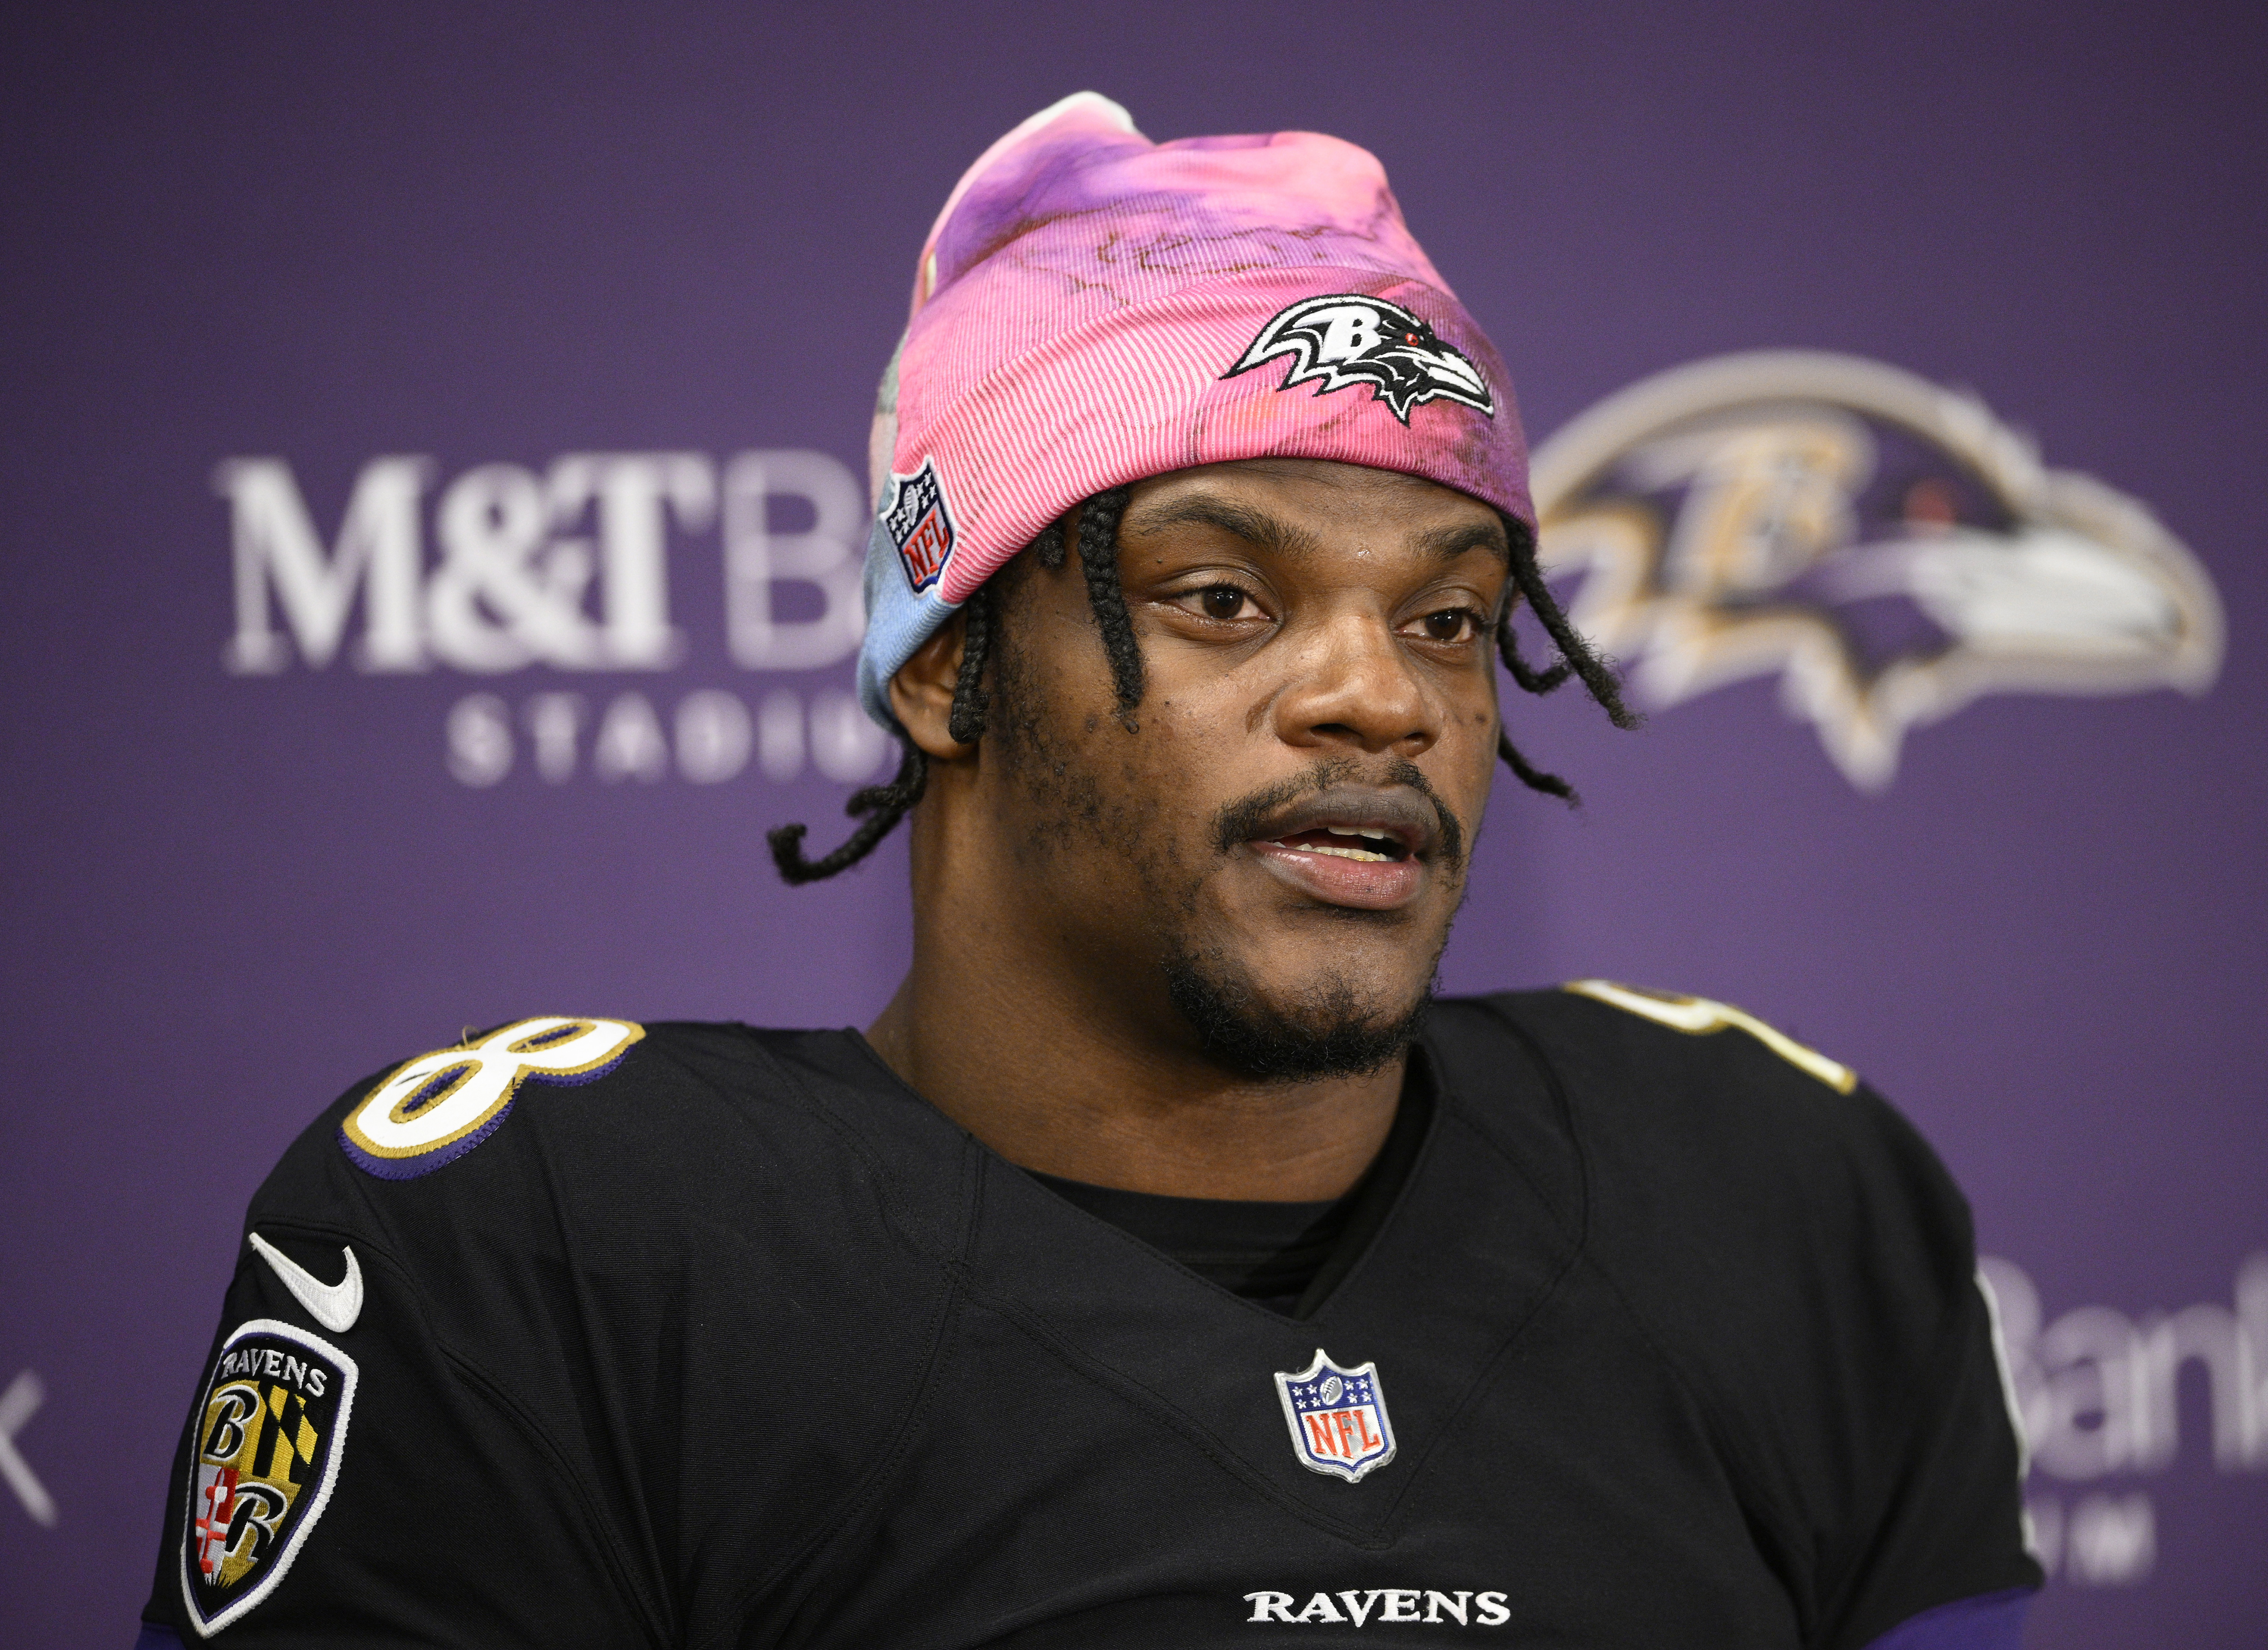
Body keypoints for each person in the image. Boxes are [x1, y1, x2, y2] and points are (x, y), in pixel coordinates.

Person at [141, 94, 2042, 1647]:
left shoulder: (1783, 1197)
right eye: (1224, 598)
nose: (1380, 698)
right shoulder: (550, 1246)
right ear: (950, 668)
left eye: (1455, 621)